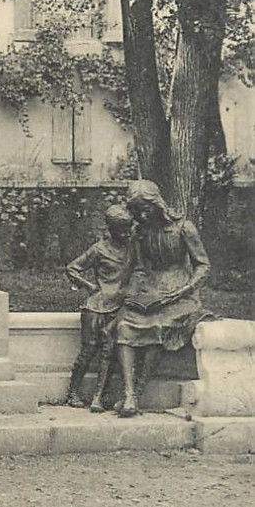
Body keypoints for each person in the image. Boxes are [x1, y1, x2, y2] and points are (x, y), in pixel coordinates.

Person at [116, 179, 211, 418]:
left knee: (159, 327)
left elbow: (203, 266)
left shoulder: (183, 228)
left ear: (157, 204)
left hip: (180, 292)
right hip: (151, 289)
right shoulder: (139, 232)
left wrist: (184, 290)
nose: (141, 215)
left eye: (145, 209)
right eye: (136, 211)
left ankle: (137, 393)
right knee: (124, 326)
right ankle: (128, 393)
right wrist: (135, 293)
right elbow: (138, 267)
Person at [65, 204, 134, 411]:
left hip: (118, 307)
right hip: (95, 307)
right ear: (111, 229)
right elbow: (72, 268)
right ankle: (73, 392)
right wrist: (89, 286)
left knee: (110, 352)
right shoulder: (99, 249)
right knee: (89, 350)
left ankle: (99, 397)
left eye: (128, 228)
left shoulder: (132, 248)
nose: (126, 233)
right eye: (121, 229)